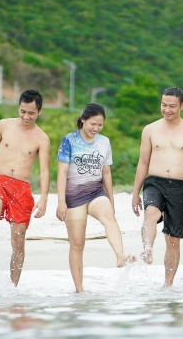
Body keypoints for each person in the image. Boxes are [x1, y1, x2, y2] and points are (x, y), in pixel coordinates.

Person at [0, 89, 50, 286]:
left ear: (39, 112)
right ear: (19, 107)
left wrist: (44, 198)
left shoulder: (42, 138)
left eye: (31, 113)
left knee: (18, 241)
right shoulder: (4, 125)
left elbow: (44, 170)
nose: (26, 116)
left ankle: (13, 287)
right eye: (22, 111)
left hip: (22, 189)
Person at [56, 103, 135, 293]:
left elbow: (106, 172)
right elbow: (62, 172)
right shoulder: (69, 140)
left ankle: (120, 255)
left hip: (95, 192)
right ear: (83, 119)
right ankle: (79, 289)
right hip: (73, 197)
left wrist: (111, 199)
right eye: (93, 124)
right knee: (77, 244)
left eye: (100, 125)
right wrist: (60, 201)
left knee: (109, 215)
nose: (96, 129)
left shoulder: (104, 142)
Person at [131, 87, 183, 288]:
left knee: (173, 240)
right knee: (151, 214)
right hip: (154, 181)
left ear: (182, 105)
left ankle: (167, 285)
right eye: (164, 105)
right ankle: (147, 248)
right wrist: (135, 192)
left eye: (172, 106)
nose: (167, 109)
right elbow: (143, 162)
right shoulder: (150, 129)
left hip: (179, 187)